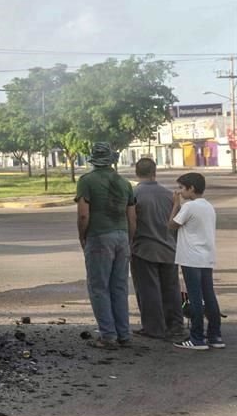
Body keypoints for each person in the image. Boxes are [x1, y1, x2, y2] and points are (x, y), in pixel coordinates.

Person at [75, 142, 136, 350]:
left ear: (92, 159)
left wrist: (82, 237)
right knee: (119, 287)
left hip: (100, 236)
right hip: (122, 236)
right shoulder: (124, 183)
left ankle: (108, 336)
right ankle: (124, 334)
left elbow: (84, 214)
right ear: (112, 159)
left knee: (99, 287)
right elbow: (132, 217)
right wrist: (129, 239)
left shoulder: (86, 181)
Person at [130, 158, 185, 340]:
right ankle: (175, 326)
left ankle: (154, 328)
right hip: (169, 248)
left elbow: (130, 222)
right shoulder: (169, 195)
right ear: (155, 172)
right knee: (171, 289)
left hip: (144, 249)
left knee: (148, 290)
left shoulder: (133, 194)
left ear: (136, 173)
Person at [170, 172, 224, 350]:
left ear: (191, 188)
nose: (180, 192)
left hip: (191, 258)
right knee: (209, 297)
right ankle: (215, 336)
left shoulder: (189, 207)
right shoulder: (208, 206)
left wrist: (176, 205)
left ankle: (197, 338)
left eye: (181, 188)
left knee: (194, 297)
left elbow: (171, 226)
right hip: (206, 257)